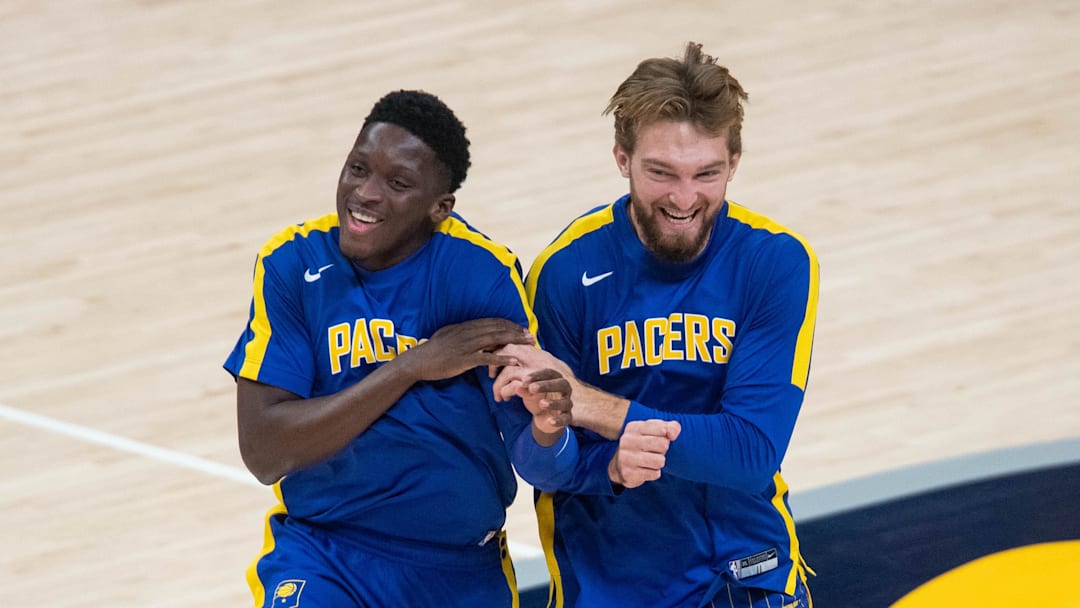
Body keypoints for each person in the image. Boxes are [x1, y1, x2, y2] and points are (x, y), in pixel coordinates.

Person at [494, 42, 819, 607]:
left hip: (747, 569)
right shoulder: (565, 273)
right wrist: (607, 464)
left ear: (735, 163)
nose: (684, 198)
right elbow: (539, 464)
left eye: (707, 174)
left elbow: (751, 452)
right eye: (661, 173)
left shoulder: (776, 261)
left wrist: (592, 405)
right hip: (612, 579)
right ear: (622, 159)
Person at [223, 89, 573, 608]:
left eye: (398, 183)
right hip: (325, 553)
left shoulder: (481, 276)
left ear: (440, 207)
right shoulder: (292, 265)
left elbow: (543, 468)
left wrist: (549, 428)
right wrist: (410, 367)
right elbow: (264, 451)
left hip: (458, 568)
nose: (364, 193)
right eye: (357, 168)